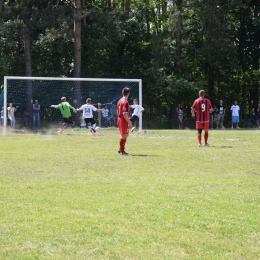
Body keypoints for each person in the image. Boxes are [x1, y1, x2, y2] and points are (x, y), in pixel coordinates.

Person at [117, 87, 132, 155]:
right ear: (128, 93)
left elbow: (118, 110)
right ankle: (122, 151)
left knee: (126, 134)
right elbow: (125, 113)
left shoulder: (120, 100)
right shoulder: (125, 101)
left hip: (120, 118)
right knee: (124, 135)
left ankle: (121, 149)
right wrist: (129, 122)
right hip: (123, 119)